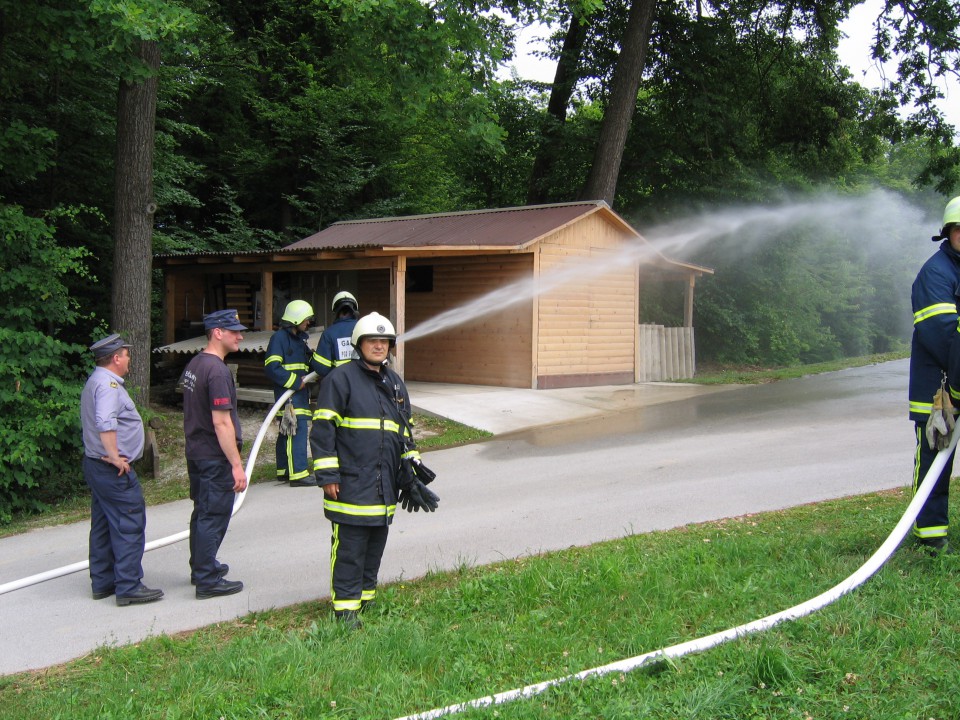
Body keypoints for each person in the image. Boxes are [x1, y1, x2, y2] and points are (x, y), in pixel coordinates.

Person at [310, 312, 438, 628]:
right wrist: (327, 475)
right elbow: (323, 429)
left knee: (374, 544)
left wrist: (411, 469)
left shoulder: (394, 383)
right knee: (350, 548)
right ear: (359, 344)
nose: (379, 346)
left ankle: (365, 599)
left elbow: (404, 431)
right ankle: (345, 611)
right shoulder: (340, 379)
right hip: (350, 483)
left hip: (384, 484)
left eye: (384, 341)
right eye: (373, 340)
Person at [80, 333, 163, 606]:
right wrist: (115, 457)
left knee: (104, 524)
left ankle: (103, 583)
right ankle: (128, 585)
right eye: (127, 355)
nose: (129, 360)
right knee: (130, 522)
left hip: (95, 466)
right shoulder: (108, 386)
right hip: (111, 469)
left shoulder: (96, 380)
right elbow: (106, 422)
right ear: (116, 358)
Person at [181, 309, 248, 598]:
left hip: (196, 452)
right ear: (217, 333)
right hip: (213, 456)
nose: (240, 336)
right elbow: (221, 422)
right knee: (214, 515)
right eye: (234, 331)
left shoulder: (195, 364)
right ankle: (207, 579)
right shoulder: (218, 371)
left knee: (202, 512)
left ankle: (201, 566)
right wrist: (236, 464)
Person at [909, 195, 960, 555]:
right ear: (948, 233)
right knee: (935, 463)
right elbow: (944, 335)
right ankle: (932, 538)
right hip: (938, 392)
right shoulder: (935, 274)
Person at [264, 300, 324, 486]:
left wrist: (325, 368)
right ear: (296, 319)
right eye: (306, 319)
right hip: (289, 395)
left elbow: (311, 362)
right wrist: (294, 382)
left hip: (298, 395)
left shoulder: (298, 340)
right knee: (295, 431)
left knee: (286, 432)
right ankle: (298, 474)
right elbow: (272, 367)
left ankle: (284, 470)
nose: (308, 323)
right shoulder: (279, 339)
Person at [315, 291, 360, 379]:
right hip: (363, 382)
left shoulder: (329, 333)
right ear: (354, 309)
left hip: (339, 384)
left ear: (336, 311)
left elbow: (321, 368)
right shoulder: (363, 328)